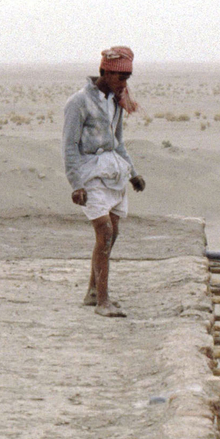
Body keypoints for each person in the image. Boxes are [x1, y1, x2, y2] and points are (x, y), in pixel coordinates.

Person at [62, 47, 146, 317]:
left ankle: (93, 291)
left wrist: (133, 173)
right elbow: (69, 146)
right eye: (120, 77)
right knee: (105, 233)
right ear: (104, 72)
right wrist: (76, 184)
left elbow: (118, 142)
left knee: (113, 234)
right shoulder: (78, 102)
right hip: (90, 173)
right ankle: (103, 302)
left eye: (127, 77)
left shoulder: (115, 102)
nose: (124, 83)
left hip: (114, 173)